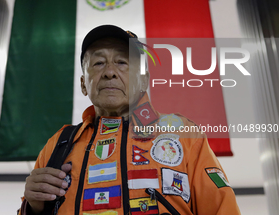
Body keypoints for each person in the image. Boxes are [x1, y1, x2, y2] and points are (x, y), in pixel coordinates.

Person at [18, 25, 241, 215]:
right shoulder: (59, 144)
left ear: (143, 81)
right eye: (98, 63)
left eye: (122, 63)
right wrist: (33, 207)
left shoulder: (183, 134)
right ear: (84, 84)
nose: (110, 72)